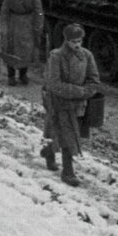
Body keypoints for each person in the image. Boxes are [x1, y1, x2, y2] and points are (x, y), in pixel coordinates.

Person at [42, 24, 101, 186]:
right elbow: (54, 83)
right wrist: (79, 92)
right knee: (68, 136)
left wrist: (86, 92)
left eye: (80, 41)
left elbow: (94, 81)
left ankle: (48, 151)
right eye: (74, 41)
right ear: (66, 40)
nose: (77, 44)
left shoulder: (87, 56)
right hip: (60, 103)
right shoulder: (56, 56)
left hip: (79, 105)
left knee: (66, 134)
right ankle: (68, 173)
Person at [0, 0, 43, 86]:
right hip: (13, 24)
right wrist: (3, 27)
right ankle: (11, 76)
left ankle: (23, 75)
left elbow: (38, 11)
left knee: (26, 51)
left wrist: (38, 25)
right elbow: (4, 11)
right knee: (10, 49)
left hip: (27, 25)